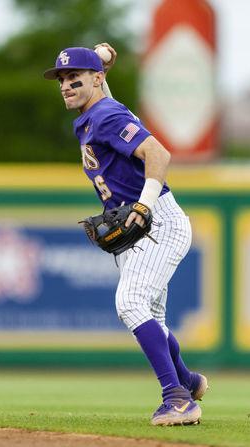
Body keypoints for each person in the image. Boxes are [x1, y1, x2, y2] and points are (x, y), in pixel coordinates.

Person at [43, 44, 208, 426]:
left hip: (156, 222)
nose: (66, 85)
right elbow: (104, 97)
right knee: (149, 316)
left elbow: (160, 155)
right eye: (62, 80)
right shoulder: (96, 111)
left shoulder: (105, 113)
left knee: (130, 303)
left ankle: (178, 399)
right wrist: (100, 60)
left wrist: (143, 205)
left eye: (74, 78)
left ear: (97, 80)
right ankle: (187, 380)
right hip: (139, 227)